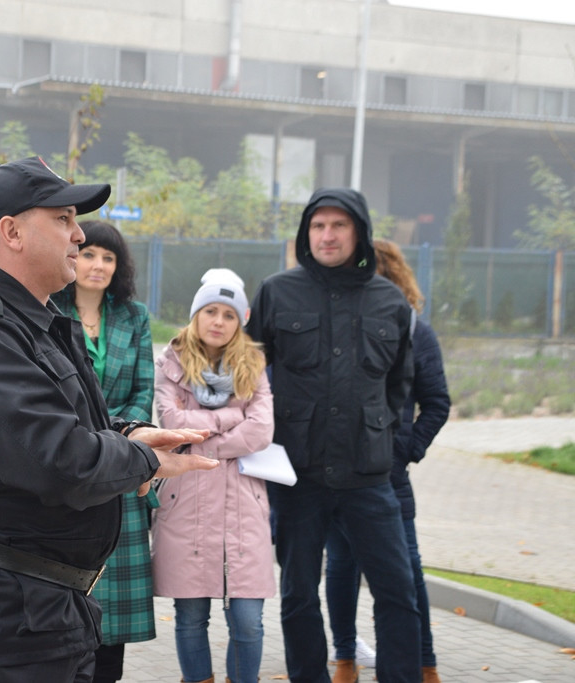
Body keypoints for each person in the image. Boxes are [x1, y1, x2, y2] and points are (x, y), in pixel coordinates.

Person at [0, 155, 219, 683]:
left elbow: (67, 425)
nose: (78, 236)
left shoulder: (30, 320)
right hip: (7, 618)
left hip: (37, 609)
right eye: (63, 219)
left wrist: (126, 434)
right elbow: (57, 461)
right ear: (11, 232)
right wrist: (142, 459)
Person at [245, 187, 421, 683]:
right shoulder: (277, 292)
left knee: (397, 590)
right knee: (299, 593)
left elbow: (399, 387)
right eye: (318, 226)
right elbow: (249, 375)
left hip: (369, 477)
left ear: (359, 233)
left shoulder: (389, 301)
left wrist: (388, 445)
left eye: (338, 226)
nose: (327, 235)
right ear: (306, 233)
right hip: (298, 476)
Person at [324, 239, 451, 683]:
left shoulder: (416, 331)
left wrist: (404, 450)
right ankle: (344, 659)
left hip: (388, 477)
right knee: (340, 567)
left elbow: (436, 402)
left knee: (406, 570)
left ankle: (424, 662)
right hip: (335, 473)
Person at [152, 268, 276, 683]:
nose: (218, 321)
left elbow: (261, 430)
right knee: (190, 616)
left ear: (240, 320)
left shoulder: (253, 365)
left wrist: (204, 442)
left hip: (243, 503)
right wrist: (230, 417)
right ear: (196, 315)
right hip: (185, 502)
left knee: (248, 620)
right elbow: (170, 420)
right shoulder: (170, 362)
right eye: (210, 311)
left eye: (228, 313)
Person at [50, 220, 156, 683]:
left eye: (108, 258)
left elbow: (143, 390)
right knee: (68, 606)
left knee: (114, 618)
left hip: (122, 472)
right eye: (90, 253)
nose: (97, 265)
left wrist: (120, 440)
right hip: (71, 466)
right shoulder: (47, 310)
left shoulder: (134, 317)